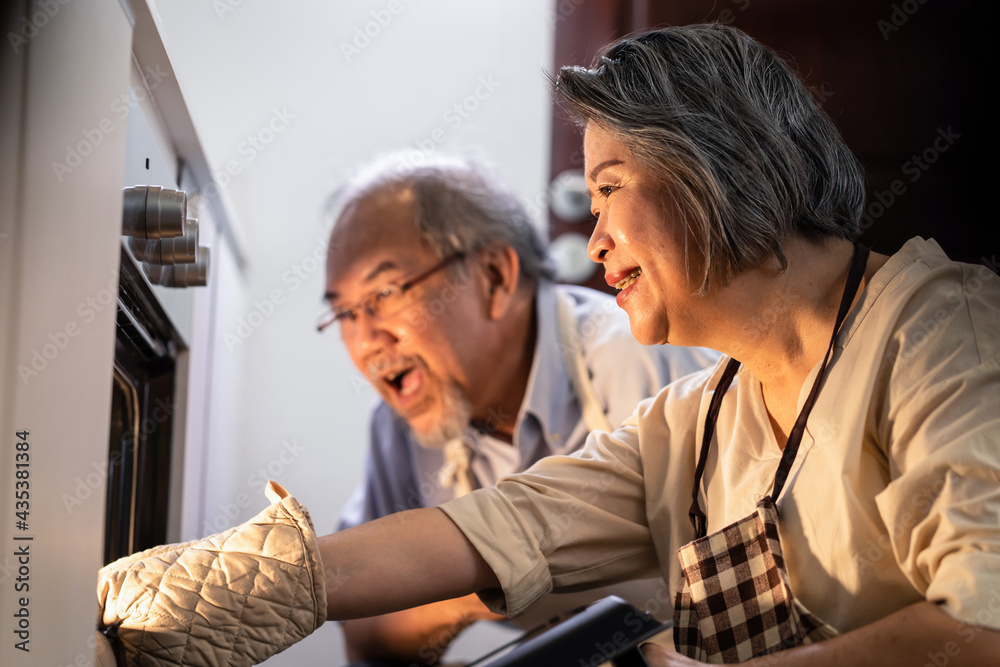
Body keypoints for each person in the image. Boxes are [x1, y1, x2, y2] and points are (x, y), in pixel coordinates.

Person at [97, 24, 1000, 667]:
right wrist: (252, 580)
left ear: (722, 169)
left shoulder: (936, 331)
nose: (595, 238)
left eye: (610, 187)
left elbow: (985, 627)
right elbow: (504, 523)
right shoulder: (703, 416)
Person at [320, 153, 718, 663]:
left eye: (386, 293)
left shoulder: (636, 356)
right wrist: (470, 592)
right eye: (343, 314)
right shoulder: (401, 428)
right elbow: (367, 636)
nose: (367, 341)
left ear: (494, 275)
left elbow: (742, 586)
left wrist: (454, 568)